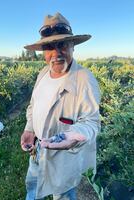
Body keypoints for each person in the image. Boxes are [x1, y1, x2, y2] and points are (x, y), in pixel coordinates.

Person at [21, 12, 100, 200]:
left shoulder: (84, 79)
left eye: (62, 44)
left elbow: (91, 122)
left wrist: (75, 135)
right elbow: (33, 105)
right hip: (37, 149)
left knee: (62, 194)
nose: (56, 53)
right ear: (43, 52)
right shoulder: (42, 74)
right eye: (49, 47)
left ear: (72, 46)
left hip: (64, 158)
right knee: (32, 187)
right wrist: (30, 129)